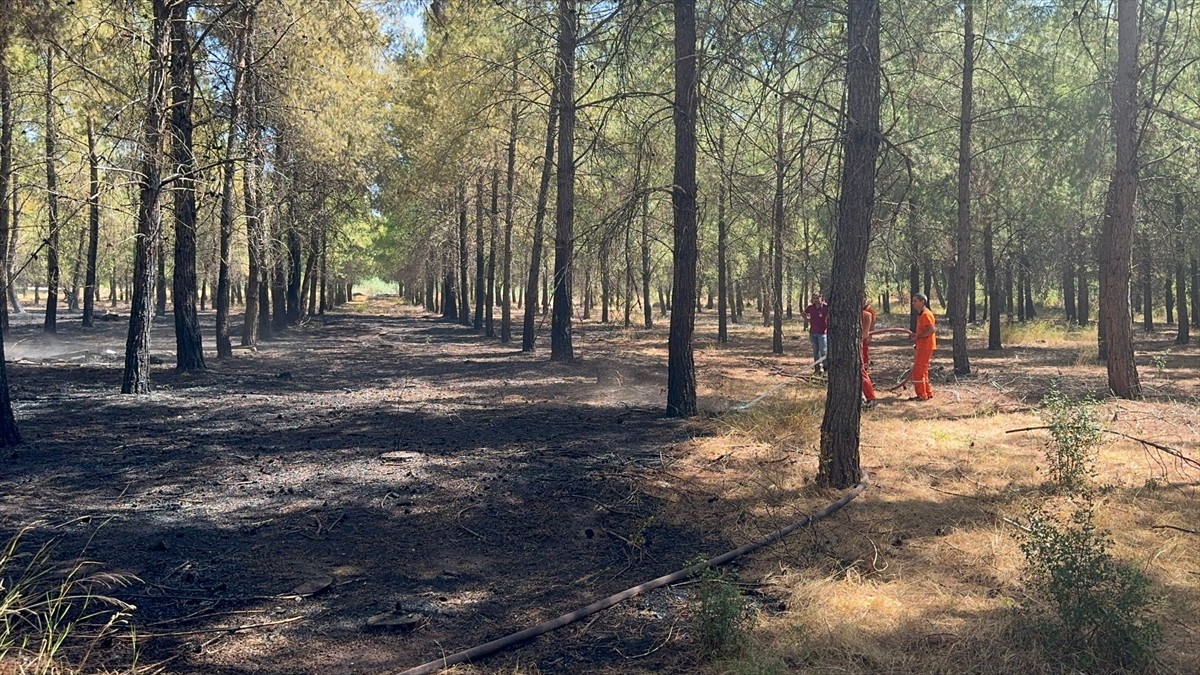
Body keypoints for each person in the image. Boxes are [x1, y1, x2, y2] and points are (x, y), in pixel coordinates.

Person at [908, 293, 937, 400]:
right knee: (923, 371)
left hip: (926, 346)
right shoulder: (921, 315)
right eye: (913, 301)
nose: (913, 303)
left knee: (918, 372)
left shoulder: (926, 314)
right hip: (923, 346)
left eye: (915, 301)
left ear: (922, 302)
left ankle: (921, 395)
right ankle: (927, 393)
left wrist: (918, 336)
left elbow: (931, 330)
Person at [803, 293, 829, 374]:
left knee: (823, 351)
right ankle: (817, 369)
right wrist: (807, 320)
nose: (816, 300)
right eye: (814, 298)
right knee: (815, 352)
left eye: (817, 298)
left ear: (821, 298)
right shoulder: (811, 307)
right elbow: (803, 313)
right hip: (813, 333)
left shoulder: (825, 307)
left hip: (822, 333)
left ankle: (826, 369)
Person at [861, 297, 878, 409]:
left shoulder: (867, 314)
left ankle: (871, 398)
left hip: (860, 345)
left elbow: (866, 333)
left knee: (861, 371)